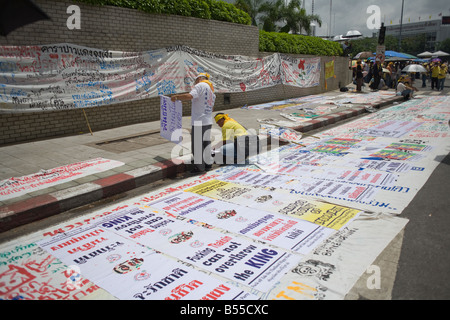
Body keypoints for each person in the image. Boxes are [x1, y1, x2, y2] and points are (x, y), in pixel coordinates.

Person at [171, 73, 215, 174]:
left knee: (198, 145)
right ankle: (208, 165)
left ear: (199, 79)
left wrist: (177, 97)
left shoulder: (200, 85)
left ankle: (200, 168)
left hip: (199, 121)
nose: (194, 83)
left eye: (195, 81)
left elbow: (190, 95)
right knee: (206, 144)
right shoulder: (211, 90)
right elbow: (211, 107)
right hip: (208, 121)